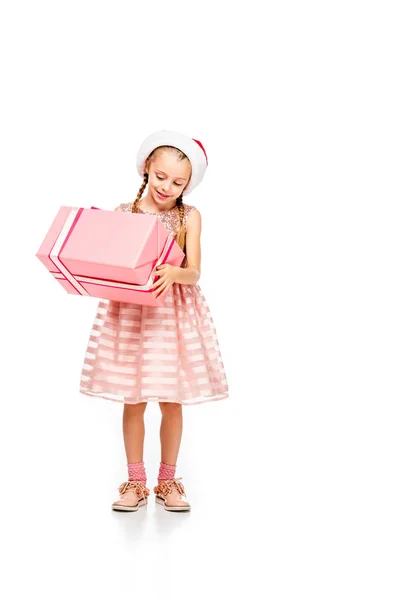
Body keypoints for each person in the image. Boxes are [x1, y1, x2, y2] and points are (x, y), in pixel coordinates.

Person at [79, 130, 229, 512]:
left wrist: (173, 272)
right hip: (131, 314)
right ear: (147, 168)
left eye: (179, 182)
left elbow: (194, 271)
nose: (167, 187)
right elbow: (112, 263)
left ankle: (168, 482)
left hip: (170, 316)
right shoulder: (124, 212)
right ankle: (135, 482)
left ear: (189, 184)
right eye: (161, 176)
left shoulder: (188, 216)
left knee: (171, 400)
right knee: (133, 399)